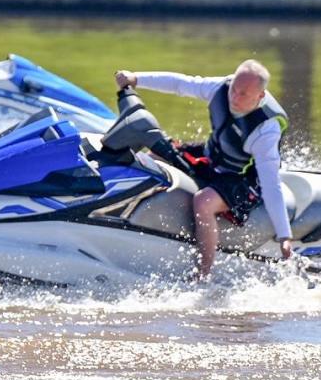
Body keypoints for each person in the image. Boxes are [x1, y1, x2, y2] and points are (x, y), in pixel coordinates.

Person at [114, 61, 293, 279]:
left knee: (203, 202)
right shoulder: (221, 88)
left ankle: (203, 274)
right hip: (212, 156)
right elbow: (182, 84)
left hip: (242, 179)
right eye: (234, 90)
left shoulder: (266, 130)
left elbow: (271, 183)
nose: (234, 99)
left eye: (243, 94)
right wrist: (136, 78)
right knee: (154, 153)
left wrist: (284, 235)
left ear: (260, 96)